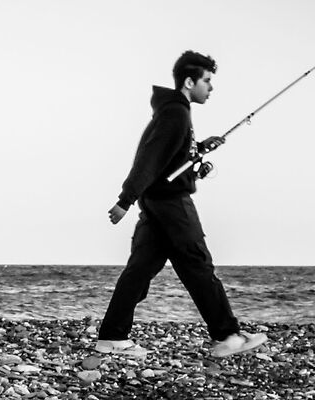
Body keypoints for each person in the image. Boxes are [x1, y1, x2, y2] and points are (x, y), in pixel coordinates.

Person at [94, 51, 266, 361]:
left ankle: (111, 337)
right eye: (207, 81)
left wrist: (199, 149)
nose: (210, 88)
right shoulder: (175, 114)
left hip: (158, 202)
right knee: (198, 265)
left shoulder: (175, 112)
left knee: (140, 269)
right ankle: (227, 335)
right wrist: (124, 200)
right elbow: (149, 159)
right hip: (170, 204)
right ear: (189, 81)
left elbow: (171, 159)